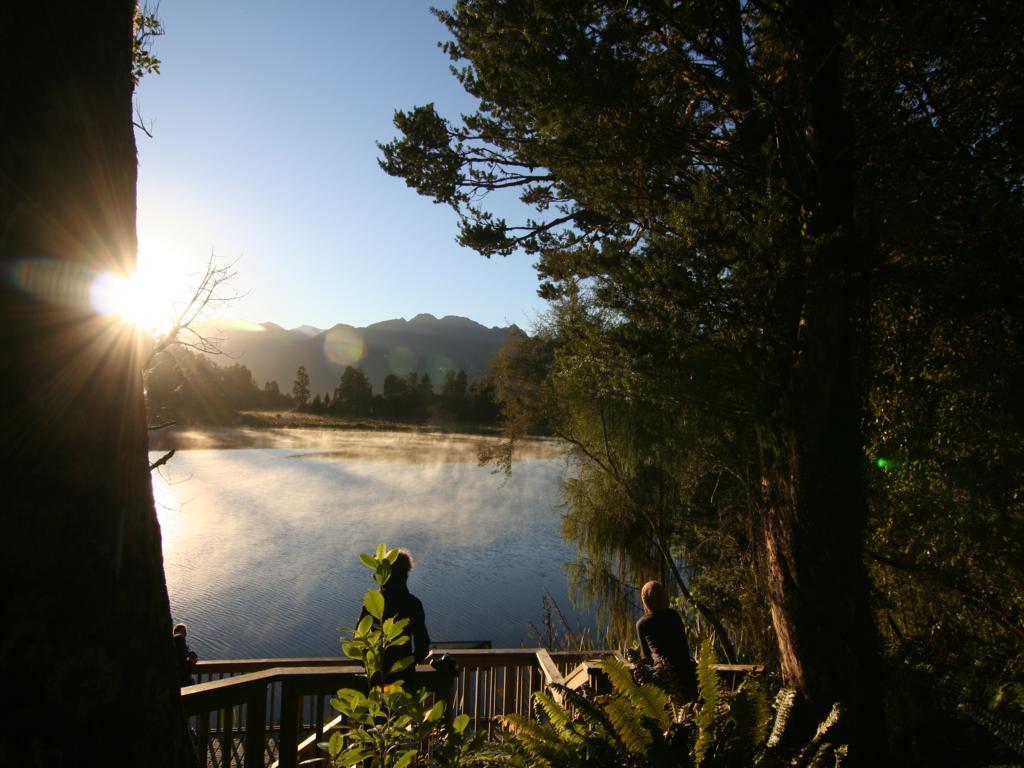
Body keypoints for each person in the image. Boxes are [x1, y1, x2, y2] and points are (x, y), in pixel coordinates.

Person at [359, 548, 431, 690]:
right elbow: (422, 647)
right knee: (401, 712)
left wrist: (373, 666)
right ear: (406, 574)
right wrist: (406, 666)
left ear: (385, 573)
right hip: (404, 680)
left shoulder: (372, 603)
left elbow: (359, 642)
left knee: (378, 712)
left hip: (376, 680)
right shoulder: (413, 604)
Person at [635, 580, 697, 702]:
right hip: (686, 673)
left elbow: (646, 657)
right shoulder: (674, 616)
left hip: (663, 677)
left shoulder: (642, 623)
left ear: (646, 601)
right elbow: (683, 646)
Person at [172, 622, 199, 687]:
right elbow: (182, 661)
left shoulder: (171, 643)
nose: (185, 634)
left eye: (185, 632)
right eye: (183, 631)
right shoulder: (179, 639)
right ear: (176, 632)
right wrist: (192, 662)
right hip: (180, 679)